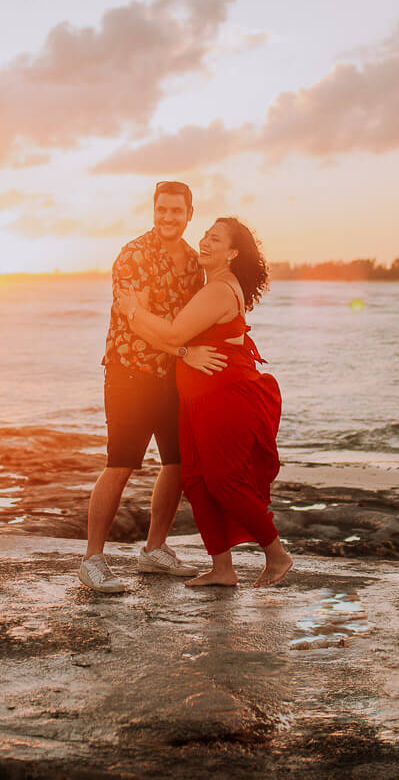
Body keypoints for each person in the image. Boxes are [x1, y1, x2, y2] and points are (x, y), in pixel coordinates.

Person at [119, 216, 292, 588]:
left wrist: (134, 312)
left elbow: (172, 332)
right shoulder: (212, 285)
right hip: (196, 398)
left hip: (222, 397)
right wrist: (180, 348)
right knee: (195, 479)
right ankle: (222, 569)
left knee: (224, 480)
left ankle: (277, 555)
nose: (206, 242)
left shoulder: (218, 291)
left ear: (231, 253)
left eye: (216, 239)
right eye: (206, 236)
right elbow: (177, 338)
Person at [79, 181, 225, 593]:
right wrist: (185, 351)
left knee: (176, 464)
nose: (167, 218)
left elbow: (200, 317)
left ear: (189, 214)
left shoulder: (197, 265)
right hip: (130, 373)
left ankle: (154, 551)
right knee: (120, 464)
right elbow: (137, 323)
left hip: (175, 378)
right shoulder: (133, 255)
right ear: (153, 211)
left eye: (176, 211)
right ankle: (92, 559)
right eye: (162, 210)